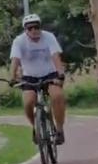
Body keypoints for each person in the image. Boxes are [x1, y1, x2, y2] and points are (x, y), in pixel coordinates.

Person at [10, 14, 67, 145]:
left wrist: (60, 74)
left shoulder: (49, 37)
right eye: (30, 28)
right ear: (25, 30)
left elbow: (55, 56)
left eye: (36, 27)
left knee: (57, 96)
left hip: (50, 73)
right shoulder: (19, 41)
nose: (34, 30)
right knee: (28, 102)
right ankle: (35, 127)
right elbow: (15, 60)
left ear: (40, 27)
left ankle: (59, 130)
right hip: (30, 76)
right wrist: (12, 77)